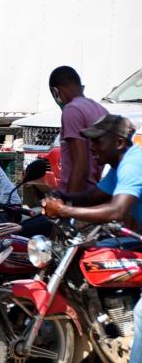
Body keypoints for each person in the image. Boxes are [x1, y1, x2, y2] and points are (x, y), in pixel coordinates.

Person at [40, 114, 142, 363]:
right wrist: (62, 196)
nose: (92, 147)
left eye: (98, 141)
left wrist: (64, 210)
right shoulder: (119, 166)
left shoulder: (134, 162)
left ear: (118, 142)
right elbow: (95, 196)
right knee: (98, 252)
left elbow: (116, 210)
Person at [49, 66, 109, 193]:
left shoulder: (72, 110)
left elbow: (80, 163)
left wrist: (68, 203)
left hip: (78, 196)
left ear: (55, 92)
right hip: (93, 192)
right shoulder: (100, 109)